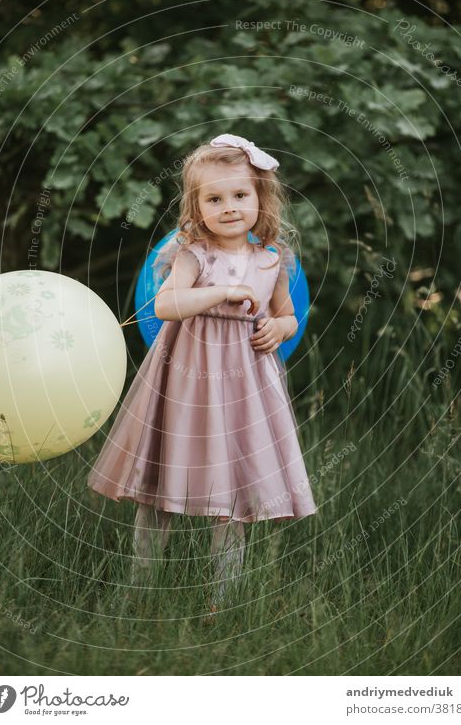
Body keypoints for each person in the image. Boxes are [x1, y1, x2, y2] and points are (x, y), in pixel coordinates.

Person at [87, 133, 318, 615]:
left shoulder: (272, 259)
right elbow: (167, 305)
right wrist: (219, 293)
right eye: (214, 198)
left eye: (240, 195)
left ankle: (224, 596)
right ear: (196, 207)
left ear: (260, 198)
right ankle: (139, 586)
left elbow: (288, 316)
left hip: (244, 381)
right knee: (161, 474)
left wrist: (279, 326)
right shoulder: (192, 254)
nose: (229, 207)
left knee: (230, 482)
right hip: (185, 375)